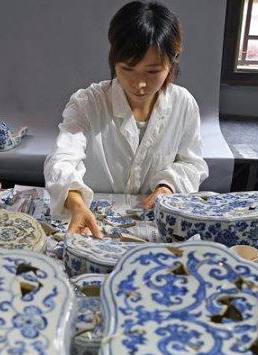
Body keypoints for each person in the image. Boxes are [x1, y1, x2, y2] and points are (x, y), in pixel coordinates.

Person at [44, 0, 209, 238]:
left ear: (173, 58)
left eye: (152, 71)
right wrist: (77, 205)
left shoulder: (183, 104)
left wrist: (169, 186)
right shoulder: (88, 103)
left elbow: (192, 163)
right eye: (127, 69)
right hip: (94, 224)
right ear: (114, 59)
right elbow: (61, 161)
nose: (139, 84)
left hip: (151, 227)